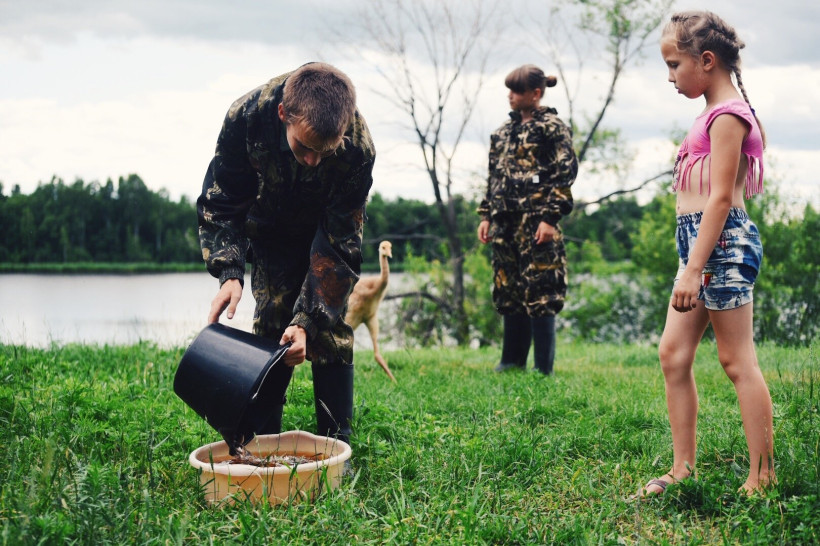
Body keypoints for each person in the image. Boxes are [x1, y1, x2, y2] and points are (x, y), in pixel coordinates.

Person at [197, 62, 375, 448]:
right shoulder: (246, 118)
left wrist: (307, 320)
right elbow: (222, 201)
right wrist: (229, 271)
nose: (313, 160)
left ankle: (337, 444)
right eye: (304, 148)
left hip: (325, 231)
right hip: (270, 228)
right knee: (273, 322)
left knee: (329, 328)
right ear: (283, 114)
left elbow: (341, 243)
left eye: (325, 152)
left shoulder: (359, 149)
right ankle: (265, 442)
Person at [637, 11, 775, 497]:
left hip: (722, 246)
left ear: (707, 60)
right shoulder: (712, 113)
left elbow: (720, 199)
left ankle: (763, 476)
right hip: (698, 247)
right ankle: (682, 469)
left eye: (674, 65)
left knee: (737, 361)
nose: (670, 77)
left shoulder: (728, 116)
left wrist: (694, 268)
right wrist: (691, 261)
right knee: (673, 354)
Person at [477, 64, 578, 375]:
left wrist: (550, 218)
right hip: (504, 221)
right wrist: (486, 215)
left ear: (535, 93)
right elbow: (493, 177)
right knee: (508, 287)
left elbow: (565, 173)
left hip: (536, 221)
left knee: (541, 288)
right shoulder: (502, 133)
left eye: (517, 90)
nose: (510, 95)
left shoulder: (552, 128)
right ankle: (512, 361)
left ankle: (542, 368)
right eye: (509, 89)